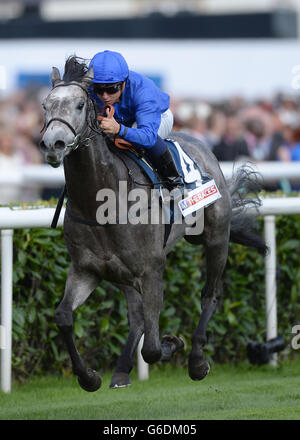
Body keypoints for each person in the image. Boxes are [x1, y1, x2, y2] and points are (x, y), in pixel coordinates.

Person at [88, 50, 182, 186]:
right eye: (98, 89)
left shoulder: (144, 92)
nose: (105, 96)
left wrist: (119, 129)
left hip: (157, 118)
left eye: (111, 89)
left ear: (124, 83)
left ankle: (173, 180)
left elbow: (148, 136)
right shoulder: (91, 89)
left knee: (135, 140)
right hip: (123, 119)